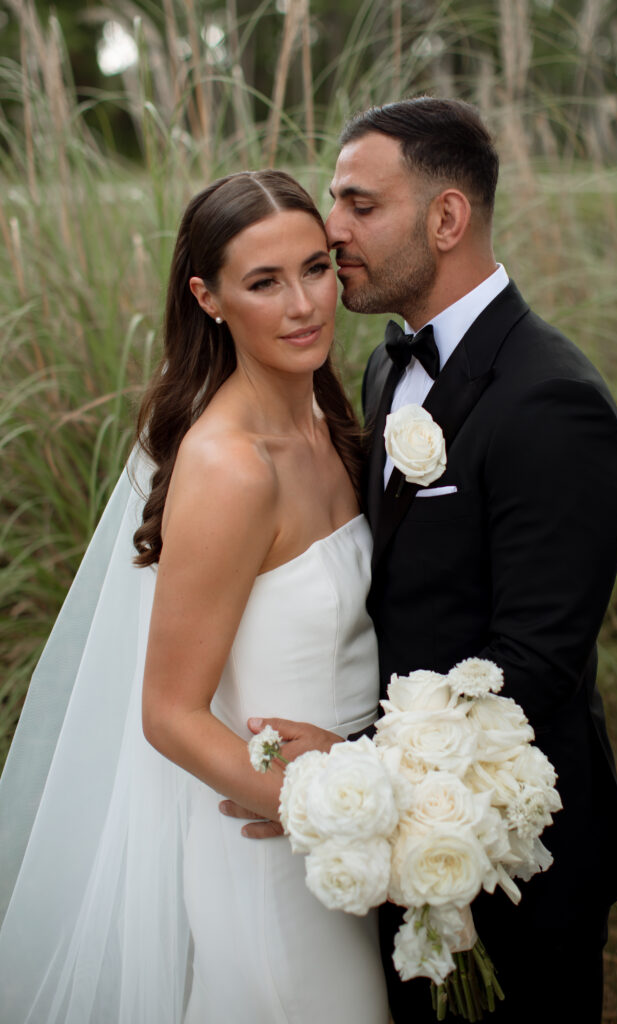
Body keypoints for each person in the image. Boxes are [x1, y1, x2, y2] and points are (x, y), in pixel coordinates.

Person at [224, 98, 617, 1023]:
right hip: (394, 837)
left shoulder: (553, 403)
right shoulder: (387, 369)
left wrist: (350, 770)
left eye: (359, 204)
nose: (331, 230)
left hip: (513, 852)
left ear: (446, 218)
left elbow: (533, 664)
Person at [0, 171, 389, 1023]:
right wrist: (314, 805)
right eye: (264, 283)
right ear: (207, 298)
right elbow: (169, 713)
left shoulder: (328, 422)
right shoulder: (229, 466)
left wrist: (374, 803)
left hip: (352, 832)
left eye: (315, 268)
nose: (302, 305)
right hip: (274, 853)